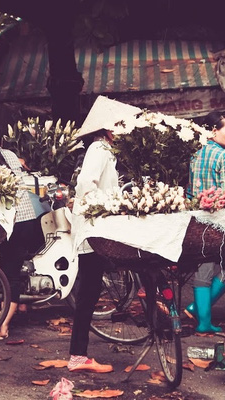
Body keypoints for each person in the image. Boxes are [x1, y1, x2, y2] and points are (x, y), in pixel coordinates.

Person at [68, 96, 140, 373]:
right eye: (120, 125)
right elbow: (87, 183)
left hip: (95, 227)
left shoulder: (105, 149)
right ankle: (77, 355)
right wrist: (102, 207)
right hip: (93, 228)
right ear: (109, 128)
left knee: (90, 289)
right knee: (88, 291)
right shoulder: (98, 149)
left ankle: (78, 354)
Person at [0, 123, 44, 339]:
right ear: (1, 141)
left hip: (5, 223)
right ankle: (3, 326)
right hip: (26, 219)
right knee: (12, 274)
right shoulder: (12, 156)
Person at [185, 111, 225, 334]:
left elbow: (190, 192)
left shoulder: (194, 154)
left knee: (204, 269)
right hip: (221, 223)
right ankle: (198, 313)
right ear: (213, 131)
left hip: (198, 221)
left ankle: (201, 319)